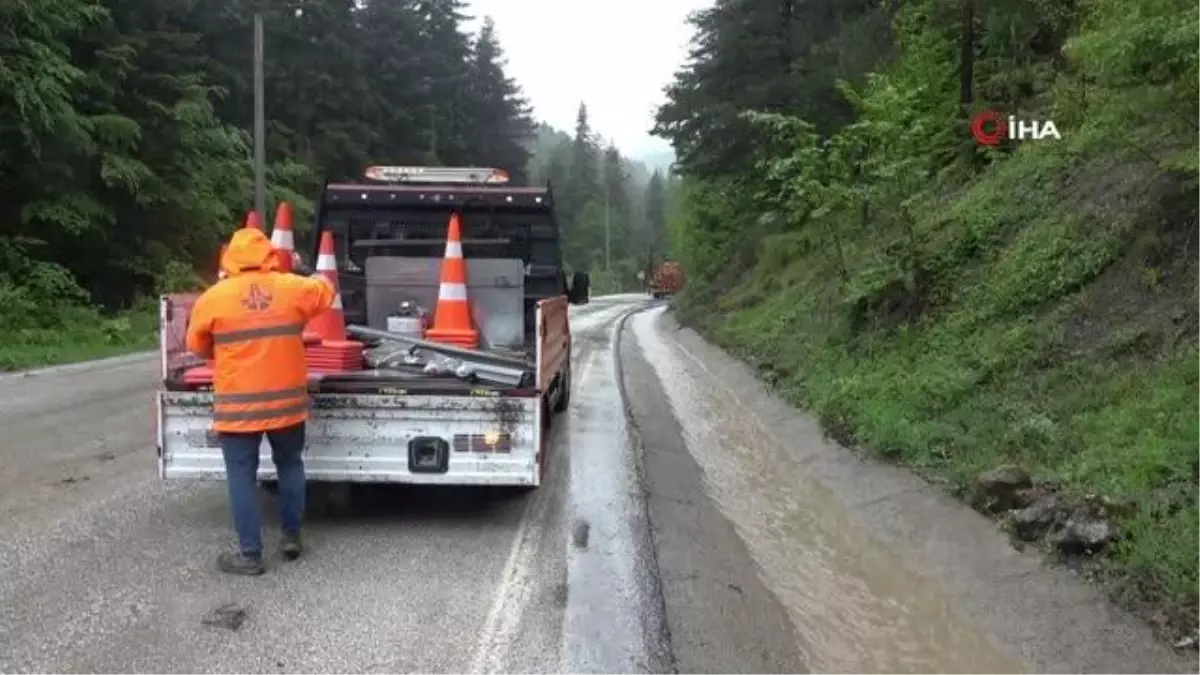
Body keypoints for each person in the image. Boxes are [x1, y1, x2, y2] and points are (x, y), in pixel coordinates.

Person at [186, 227, 334, 575]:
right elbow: (326, 290)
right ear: (269, 255)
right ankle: (291, 536)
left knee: (241, 477)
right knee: (290, 465)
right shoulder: (291, 288)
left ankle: (250, 555)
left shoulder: (214, 297)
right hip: (286, 405)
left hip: (238, 407)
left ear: (230, 258)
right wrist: (306, 271)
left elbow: (197, 346)